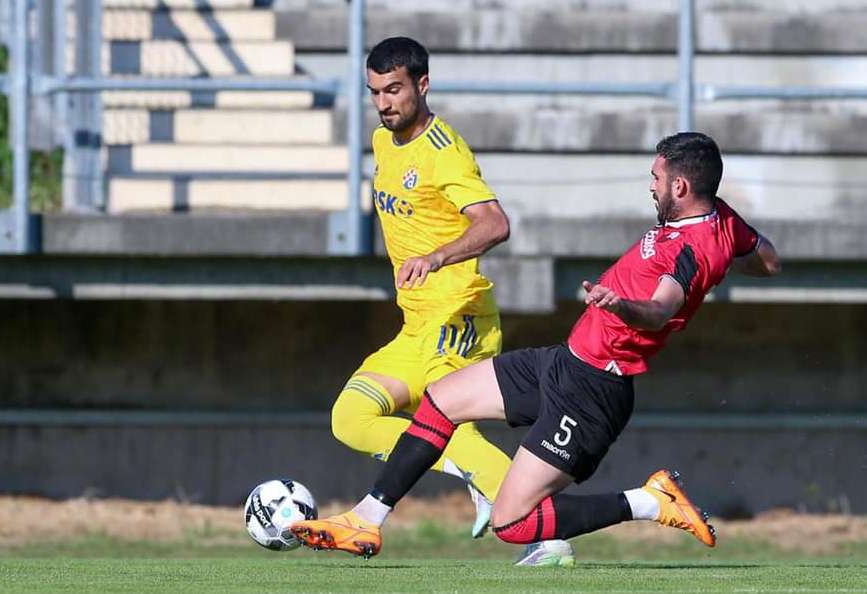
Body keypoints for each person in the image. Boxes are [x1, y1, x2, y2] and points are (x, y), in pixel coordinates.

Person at [291, 132, 782, 559]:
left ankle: (649, 502)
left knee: (512, 524)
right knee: (440, 401)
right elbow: (768, 260)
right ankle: (366, 519)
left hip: (595, 391)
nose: (650, 185)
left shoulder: (690, 249)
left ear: (680, 187)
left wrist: (621, 305)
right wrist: (725, 257)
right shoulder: (720, 219)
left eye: (656, 177)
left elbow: (660, 310)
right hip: (565, 362)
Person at [328, 36, 573, 565]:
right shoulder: (382, 141)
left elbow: (495, 223)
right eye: (375, 92)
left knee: (443, 424)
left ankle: (548, 534)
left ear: (423, 85)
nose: (384, 103)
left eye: (394, 90)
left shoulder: (444, 151)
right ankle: (474, 476)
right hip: (417, 326)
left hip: (460, 318)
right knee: (350, 416)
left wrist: (438, 257)